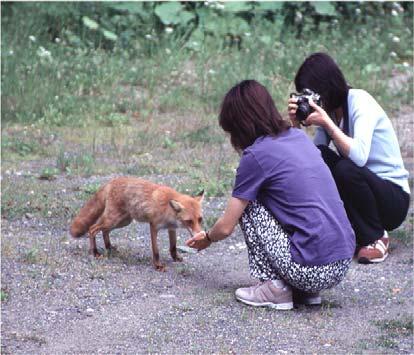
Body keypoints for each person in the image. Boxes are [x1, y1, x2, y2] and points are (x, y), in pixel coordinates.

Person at [185, 80, 355, 309]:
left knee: (248, 203)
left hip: (312, 269)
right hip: (342, 261)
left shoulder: (255, 155)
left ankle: (275, 288)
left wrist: (207, 237)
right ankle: (304, 291)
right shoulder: (299, 138)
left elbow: (226, 227)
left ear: (239, 125)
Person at [288, 53, 410, 264]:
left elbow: (359, 157)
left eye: (311, 95)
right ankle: (347, 230)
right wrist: (295, 125)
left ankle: (376, 236)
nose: (310, 101)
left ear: (324, 88)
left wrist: (327, 123)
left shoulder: (360, 101)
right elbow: (310, 158)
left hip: (393, 199)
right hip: (367, 191)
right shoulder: (332, 113)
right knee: (321, 158)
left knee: (346, 169)